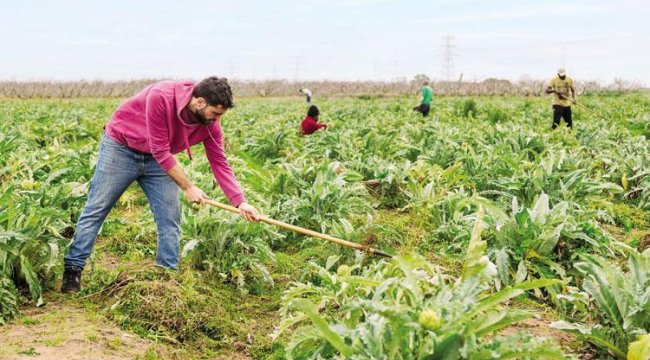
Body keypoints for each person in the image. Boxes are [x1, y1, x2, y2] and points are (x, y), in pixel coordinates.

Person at [61, 77, 260, 293]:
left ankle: (166, 278)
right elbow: (160, 149)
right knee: (97, 208)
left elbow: (220, 163)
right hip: (122, 147)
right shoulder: (162, 97)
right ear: (200, 102)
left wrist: (241, 203)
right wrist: (188, 187)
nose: (218, 120)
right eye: (216, 113)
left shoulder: (211, 125)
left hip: (157, 159)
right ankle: (73, 268)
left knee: (170, 216)